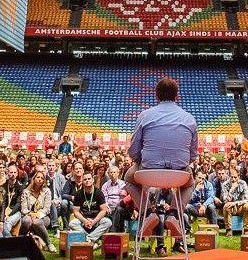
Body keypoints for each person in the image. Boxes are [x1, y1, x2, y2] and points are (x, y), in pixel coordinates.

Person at [124, 77, 199, 235]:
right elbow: (193, 155)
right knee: (190, 184)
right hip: (179, 174)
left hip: (148, 172)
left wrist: (139, 162)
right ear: (176, 96)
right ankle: (174, 214)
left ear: (156, 95)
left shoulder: (144, 115)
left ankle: (147, 213)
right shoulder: (189, 118)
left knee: (129, 178)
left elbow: (133, 150)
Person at [68, 172, 112, 242]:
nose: (87, 181)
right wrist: (85, 221)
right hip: (84, 218)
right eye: (85, 179)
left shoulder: (98, 193)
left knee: (108, 222)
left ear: (93, 180)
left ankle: (89, 238)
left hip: (96, 219)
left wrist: (94, 221)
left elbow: (103, 210)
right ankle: (89, 238)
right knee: (72, 224)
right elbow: (76, 211)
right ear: (82, 181)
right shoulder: (78, 194)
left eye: (89, 179)